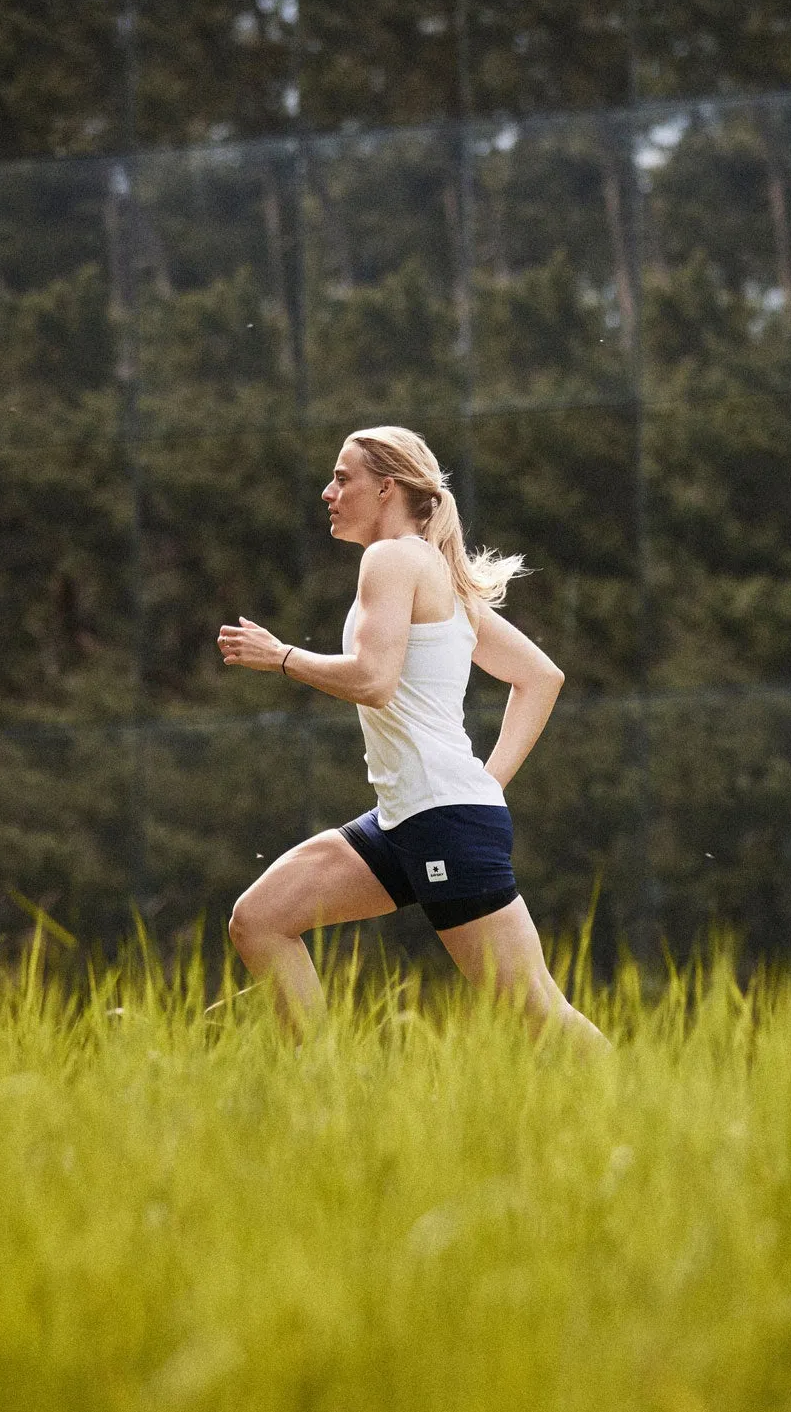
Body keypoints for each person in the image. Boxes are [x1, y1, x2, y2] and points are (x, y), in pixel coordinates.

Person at [217, 425, 608, 1051]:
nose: (328, 492)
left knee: (534, 1009)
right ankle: (324, 1095)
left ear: (385, 488)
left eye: (343, 478)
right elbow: (540, 677)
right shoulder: (434, 572)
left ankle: (637, 1110)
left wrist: (281, 656)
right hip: (407, 819)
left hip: (441, 821)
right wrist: (486, 785)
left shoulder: (393, 558)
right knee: (259, 920)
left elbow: (373, 680)